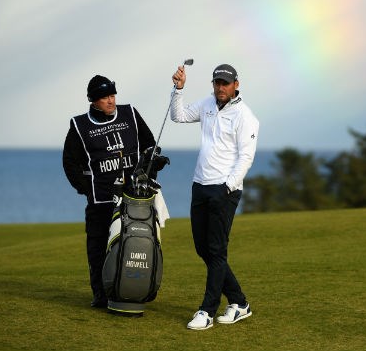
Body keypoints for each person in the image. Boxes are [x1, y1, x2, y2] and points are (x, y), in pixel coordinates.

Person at [170, 63, 259, 330]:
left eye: (225, 83)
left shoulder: (245, 116)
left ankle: (207, 312)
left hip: (225, 190)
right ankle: (239, 302)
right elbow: (179, 116)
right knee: (203, 248)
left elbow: (246, 157)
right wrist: (178, 89)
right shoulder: (208, 104)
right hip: (200, 185)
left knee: (217, 250)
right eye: (217, 82)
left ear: (236, 85)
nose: (220, 87)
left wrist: (227, 187)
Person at [62, 74, 158, 308]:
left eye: (113, 95)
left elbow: (149, 145)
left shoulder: (130, 114)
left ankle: (129, 289)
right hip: (100, 201)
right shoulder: (79, 125)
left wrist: (149, 171)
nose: (111, 101)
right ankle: (100, 294)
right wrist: (86, 189)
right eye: (105, 97)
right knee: (97, 249)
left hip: (133, 199)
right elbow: (69, 163)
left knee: (133, 245)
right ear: (92, 100)